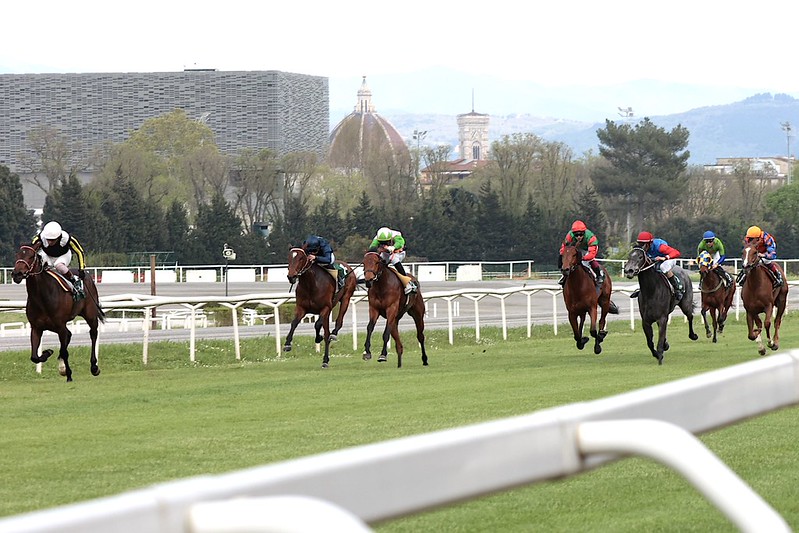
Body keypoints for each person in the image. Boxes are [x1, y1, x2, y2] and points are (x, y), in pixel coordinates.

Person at [32, 220, 86, 300]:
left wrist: (81, 269)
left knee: (59, 266)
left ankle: (74, 281)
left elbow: (80, 252)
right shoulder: (40, 237)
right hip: (47, 255)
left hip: (63, 255)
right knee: (41, 265)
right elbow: (31, 250)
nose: (49, 242)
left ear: (59, 237)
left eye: (53, 240)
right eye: (48, 239)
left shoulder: (67, 238)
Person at [630, 231, 683, 300]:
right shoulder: (643, 250)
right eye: (640, 243)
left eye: (643, 244)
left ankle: (677, 288)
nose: (641, 246)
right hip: (657, 261)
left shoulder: (661, 247)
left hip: (669, 259)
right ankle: (642, 290)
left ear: (650, 243)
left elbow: (677, 253)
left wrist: (665, 258)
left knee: (663, 267)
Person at [557, 220, 605, 288]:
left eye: (581, 234)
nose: (579, 237)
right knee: (567, 259)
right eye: (576, 235)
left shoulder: (591, 238)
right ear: (573, 234)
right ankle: (564, 276)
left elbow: (591, 255)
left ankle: (598, 275)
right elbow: (564, 247)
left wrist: (582, 258)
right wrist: (563, 255)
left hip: (589, 248)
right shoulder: (569, 236)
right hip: (578, 248)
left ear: (584, 233)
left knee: (587, 262)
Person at [369, 226, 417, 294]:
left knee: (393, 258)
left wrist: (393, 247)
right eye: (381, 242)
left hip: (398, 253)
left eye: (385, 242)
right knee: (379, 261)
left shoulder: (396, 235)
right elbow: (372, 247)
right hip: (386, 253)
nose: (383, 244)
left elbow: (400, 243)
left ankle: (407, 284)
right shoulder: (377, 238)